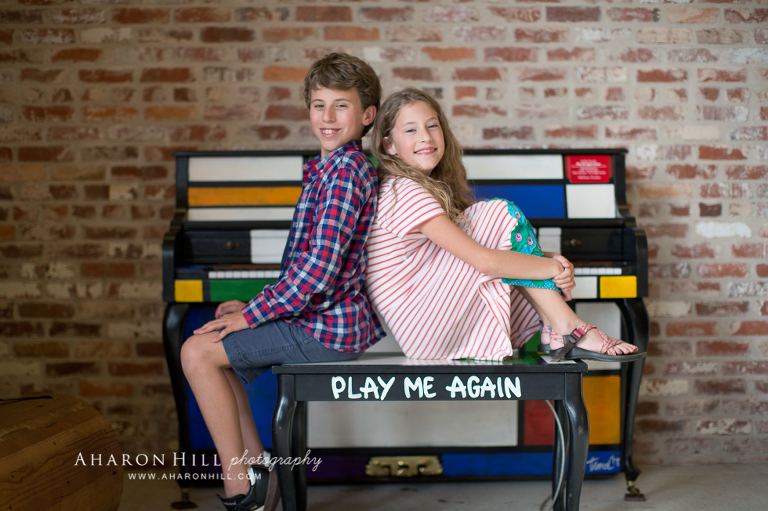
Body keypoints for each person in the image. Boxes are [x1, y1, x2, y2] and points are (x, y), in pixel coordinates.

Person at [180, 53, 386, 511]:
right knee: (213, 346)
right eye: (318, 105)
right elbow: (306, 270)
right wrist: (250, 309)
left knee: (196, 352)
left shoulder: (345, 173)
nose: (327, 117)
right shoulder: (329, 169)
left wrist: (252, 315)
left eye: (341, 106)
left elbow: (320, 270)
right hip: (322, 319)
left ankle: (243, 488)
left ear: (368, 115)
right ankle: (258, 471)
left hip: (327, 328)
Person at [365, 88, 645, 363]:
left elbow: (470, 251)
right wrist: (550, 267)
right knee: (498, 214)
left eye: (432, 126)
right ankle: (567, 326)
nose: (425, 136)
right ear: (390, 145)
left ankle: (559, 327)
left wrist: (547, 258)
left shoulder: (412, 187)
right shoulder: (404, 190)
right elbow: (484, 260)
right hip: (424, 325)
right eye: (411, 130)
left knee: (507, 248)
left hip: (424, 324)